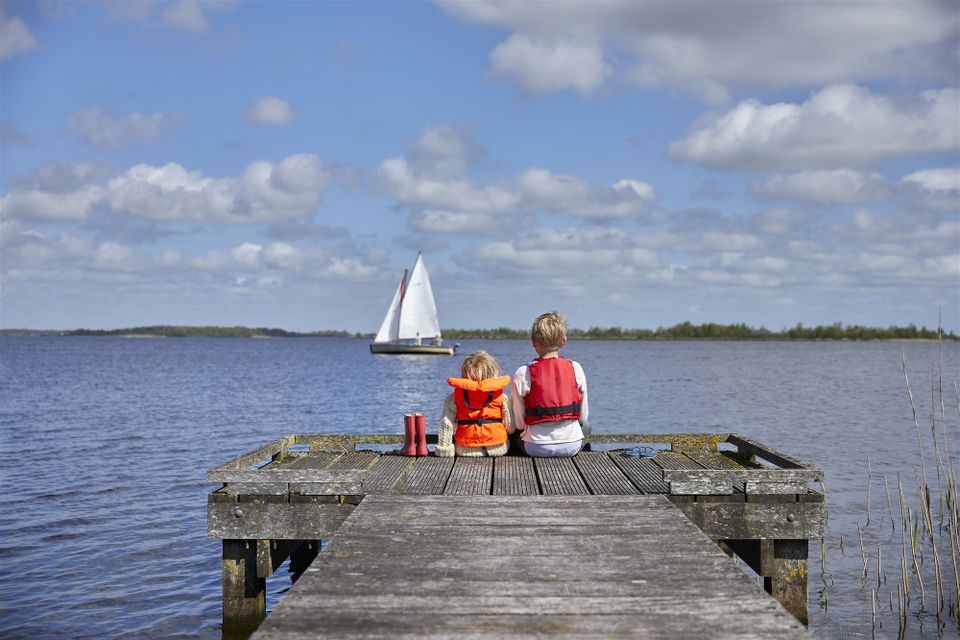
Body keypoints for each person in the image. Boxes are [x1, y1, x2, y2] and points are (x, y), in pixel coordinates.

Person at [511, 311, 590, 457]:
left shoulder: (523, 372)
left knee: (513, 432)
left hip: (536, 448)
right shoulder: (576, 368)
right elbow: (583, 418)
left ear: (533, 341)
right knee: (587, 426)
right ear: (564, 341)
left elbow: (519, 424)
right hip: (571, 447)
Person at [435, 350, 513, 457]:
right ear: (493, 372)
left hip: (465, 450)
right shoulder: (502, 397)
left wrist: (444, 450)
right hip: (498, 448)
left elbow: (446, 424)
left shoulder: (453, 398)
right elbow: (510, 427)